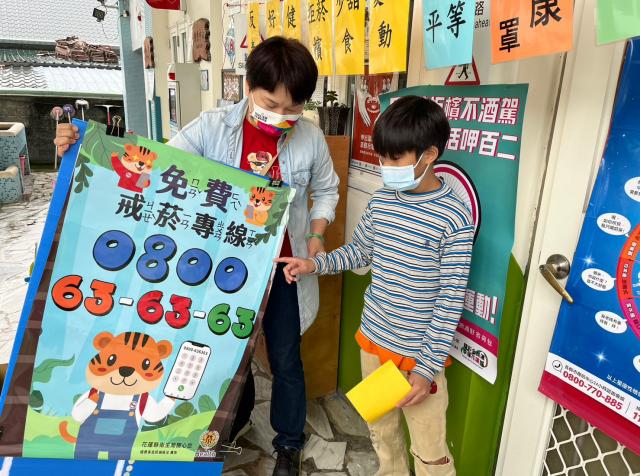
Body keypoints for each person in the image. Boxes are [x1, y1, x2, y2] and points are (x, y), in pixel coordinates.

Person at [53, 36, 339, 476]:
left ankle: (288, 444)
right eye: (271, 104)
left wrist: (317, 234)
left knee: (286, 360)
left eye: (293, 108)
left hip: (284, 269)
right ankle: (228, 428)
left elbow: (327, 189)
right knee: (228, 354)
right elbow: (159, 166)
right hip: (222, 273)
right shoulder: (211, 128)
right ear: (249, 87)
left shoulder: (311, 138)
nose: (282, 117)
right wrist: (82, 148)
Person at [276, 95, 473, 476]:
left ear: (429, 155)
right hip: (374, 342)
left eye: (395, 159)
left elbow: (450, 300)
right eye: (382, 158)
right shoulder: (382, 201)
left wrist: (426, 369)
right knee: (382, 434)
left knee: (429, 452)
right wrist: (314, 264)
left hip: (419, 358)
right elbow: (359, 252)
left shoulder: (454, 217)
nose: (386, 169)